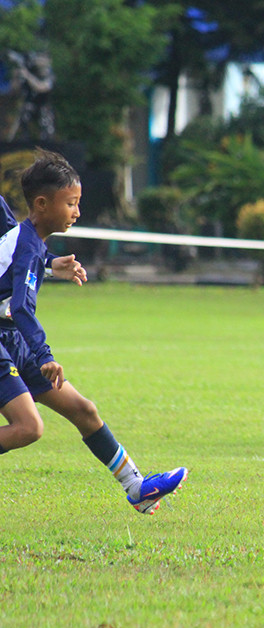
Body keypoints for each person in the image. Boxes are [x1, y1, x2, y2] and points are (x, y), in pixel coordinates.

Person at [0, 149, 187, 513]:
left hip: (12, 336)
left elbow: (13, 270)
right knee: (28, 428)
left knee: (84, 410)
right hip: (7, 337)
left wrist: (51, 267)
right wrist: (45, 356)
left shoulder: (28, 239)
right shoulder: (25, 242)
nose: (77, 212)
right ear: (41, 204)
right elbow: (21, 304)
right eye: (70, 203)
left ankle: (137, 487)